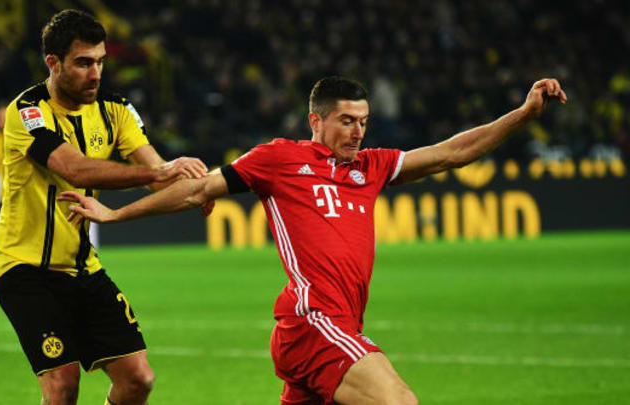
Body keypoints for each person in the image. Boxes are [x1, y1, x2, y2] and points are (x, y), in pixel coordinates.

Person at [60, 76, 567, 405]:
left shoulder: (371, 167)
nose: (357, 132)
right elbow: (197, 191)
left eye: (363, 122)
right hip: (313, 321)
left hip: (333, 324)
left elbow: (451, 153)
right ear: (316, 120)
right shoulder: (279, 159)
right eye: (347, 120)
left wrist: (522, 115)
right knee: (400, 404)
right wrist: (115, 214)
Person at [0, 9, 210, 405]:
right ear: (52, 63)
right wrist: (160, 174)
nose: (96, 73)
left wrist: (200, 187)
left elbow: (160, 169)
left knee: (138, 380)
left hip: (82, 267)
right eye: (83, 63)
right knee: (62, 386)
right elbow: (72, 167)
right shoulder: (27, 112)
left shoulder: (116, 109)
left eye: (101, 62)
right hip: (24, 269)